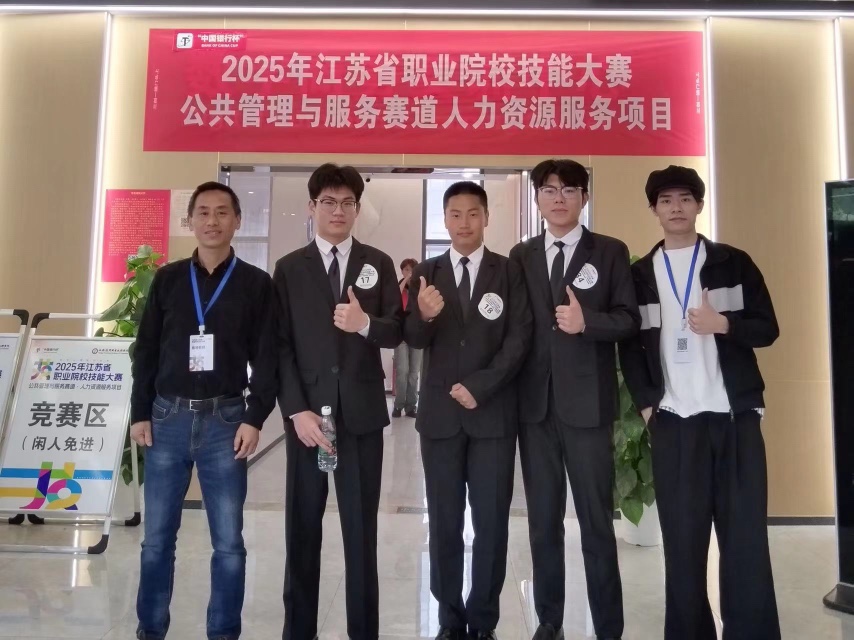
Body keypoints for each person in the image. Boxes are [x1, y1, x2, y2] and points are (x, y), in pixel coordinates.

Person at [618, 165, 781, 640]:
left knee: (745, 540)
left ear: (699, 206)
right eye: (666, 200)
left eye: (685, 199)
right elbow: (630, 346)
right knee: (683, 544)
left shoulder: (733, 262)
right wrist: (648, 406)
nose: (676, 208)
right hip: (674, 421)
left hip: (735, 418)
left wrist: (724, 325)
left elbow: (768, 328)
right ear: (654, 209)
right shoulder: (640, 276)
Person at [130, 181, 278, 640]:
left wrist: (254, 417)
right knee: (156, 541)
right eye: (204, 212)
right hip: (167, 419)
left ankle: (223, 632)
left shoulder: (256, 284)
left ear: (237, 220)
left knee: (229, 544)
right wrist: (139, 412)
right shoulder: (168, 279)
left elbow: (268, 358)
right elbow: (146, 349)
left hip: (226, 421)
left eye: (222, 212)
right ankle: (150, 629)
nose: (212, 221)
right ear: (191, 220)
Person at [509, 159, 639, 640]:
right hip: (535, 409)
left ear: (584, 197)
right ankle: (550, 621)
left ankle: (608, 627)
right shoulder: (521, 255)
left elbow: (629, 319)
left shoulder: (608, 251)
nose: (559, 198)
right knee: (543, 523)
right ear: (537, 199)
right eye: (549, 189)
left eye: (569, 189)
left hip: (588, 407)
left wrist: (589, 323)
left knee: (595, 523)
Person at [273, 163, 404, 640]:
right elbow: (279, 345)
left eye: (348, 203)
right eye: (328, 202)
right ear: (312, 207)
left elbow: (396, 331)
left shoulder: (378, 263)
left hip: (360, 417)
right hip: (309, 421)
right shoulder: (290, 268)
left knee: (360, 534)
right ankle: (298, 631)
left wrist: (364, 324)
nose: (338, 211)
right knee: (303, 531)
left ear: (357, 209)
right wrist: (296, 409)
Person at [405, 182, 532, 640]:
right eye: (455, 214)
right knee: (444, 520)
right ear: (445, 219)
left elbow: (520, 337)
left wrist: (481, 386)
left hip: (492, 415)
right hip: (439, 418)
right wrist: (423, 315)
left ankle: (483, 620)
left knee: (491, 521)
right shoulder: (427, 271)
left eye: (472, 214)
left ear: (486, 218)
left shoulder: (508, 271)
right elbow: (412, 338)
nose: (464, 223)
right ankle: (449, 618)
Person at [393, 258, 422, 418]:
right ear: (402, 271)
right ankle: (398, 406)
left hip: (417, 335)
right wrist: (405, 280)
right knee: (402, 371)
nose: (409, 272)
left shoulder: (419, 287)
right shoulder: (399, 286)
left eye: (412, 270)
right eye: (406, 269)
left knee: (413, 373)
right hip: (401, 336)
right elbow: (395, 298)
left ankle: (411, 406)